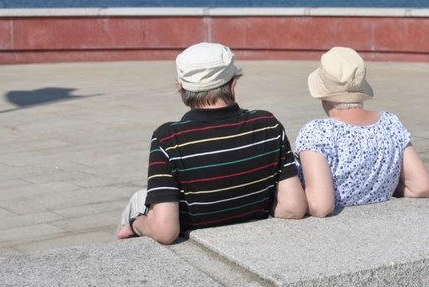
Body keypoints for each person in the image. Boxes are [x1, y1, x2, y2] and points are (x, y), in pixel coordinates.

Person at [116, 42, 306, 243]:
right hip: (252, 235)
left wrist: (136, 222)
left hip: (192, 237)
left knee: (138, 200)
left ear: (181, 89)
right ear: (232, 84)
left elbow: (165, 231)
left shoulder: (168, 139)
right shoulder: (268, 125)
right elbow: (293, 207)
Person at [294, 46, 429, 217]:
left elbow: (320, 207)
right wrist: (387, 187)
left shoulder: (317, 132)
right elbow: (423, 187)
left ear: (323, 96)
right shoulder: (390, 123)